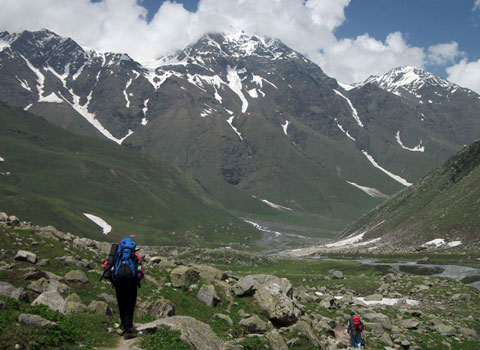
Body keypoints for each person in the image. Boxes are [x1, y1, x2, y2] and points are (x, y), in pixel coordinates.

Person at [103, 237, 144, 339]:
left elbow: (106, 265)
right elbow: (140, 270)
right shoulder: (135, 255)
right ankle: (128, 330)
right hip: (131, 282)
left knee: (121, 303)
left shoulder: (116, 254)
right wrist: (137, 279)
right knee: (130, 304)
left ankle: (124, 326)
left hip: (118, 282)